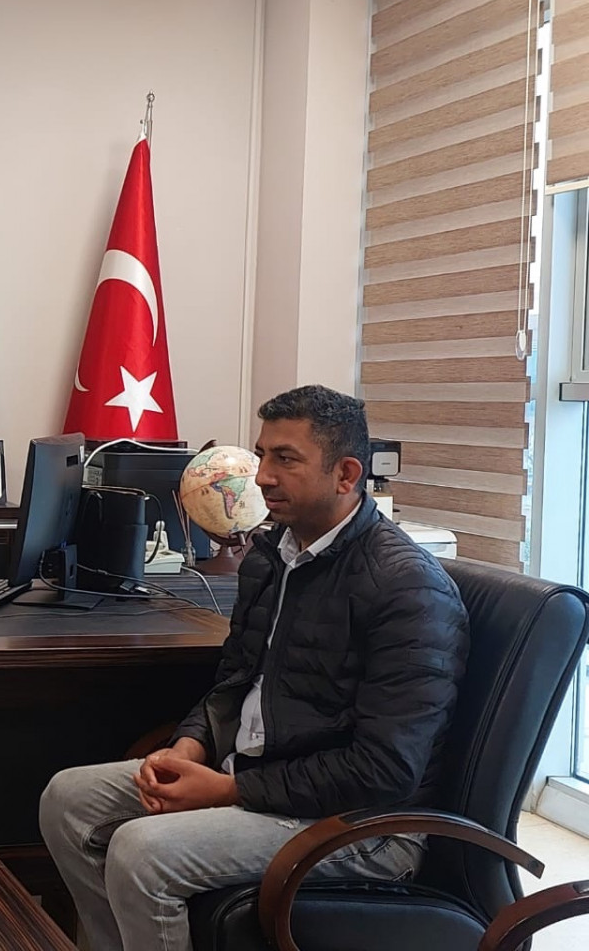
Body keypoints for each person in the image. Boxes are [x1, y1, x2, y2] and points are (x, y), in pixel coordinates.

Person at [38, 385, 469, 951]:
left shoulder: (406, 587)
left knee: (143, 852)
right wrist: (190, 746)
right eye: (263, 454)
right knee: (68, 799)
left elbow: (385, 769)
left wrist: (230, 789)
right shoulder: (271, 557)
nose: (262, 476)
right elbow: (235, 681)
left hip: (360, 823)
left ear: (345, 475)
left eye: (285, 459)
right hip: (261, 775)